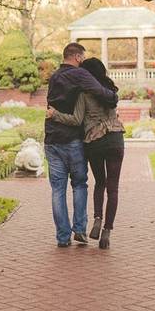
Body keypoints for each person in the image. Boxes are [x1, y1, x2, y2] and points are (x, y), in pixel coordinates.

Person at [45, 43, 119, 247]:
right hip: (74, 140)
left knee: (57, 190)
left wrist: (54, 115)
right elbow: (101, 92)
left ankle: (62, 237)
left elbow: (52, 106)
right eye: (82, 57)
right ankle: (80, 230)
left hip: (52, 140)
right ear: (77, 57)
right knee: (79, 185)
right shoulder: (80, 75)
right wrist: (114, 96)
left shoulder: (54, 77)